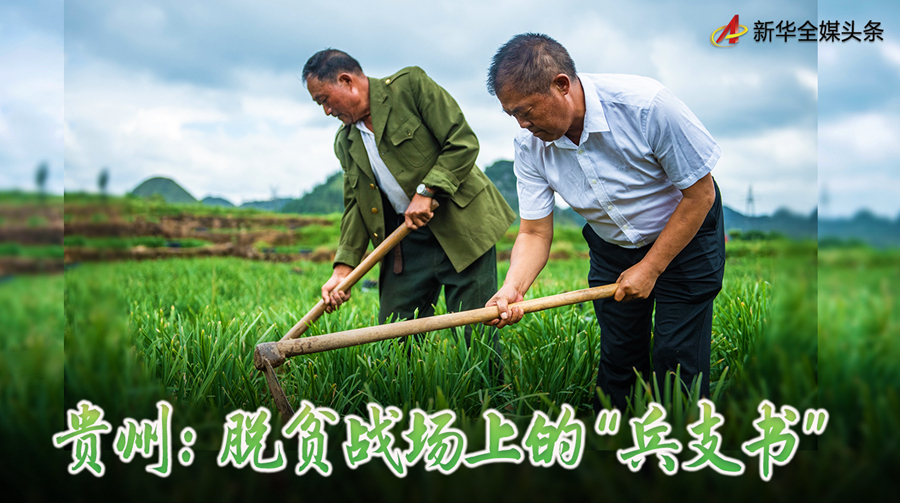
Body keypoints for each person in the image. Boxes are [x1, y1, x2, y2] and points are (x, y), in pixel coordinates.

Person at [484, 34, 725, 410]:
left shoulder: (647, 106)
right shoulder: (529, 146)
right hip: (613, 246)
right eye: (512, 114)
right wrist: (513, 288)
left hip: (685, 236)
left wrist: (650, 268)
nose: (522, 124)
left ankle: (678, 454)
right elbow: (534, 231)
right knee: (619, 358)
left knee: (676, 359)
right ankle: (611, 451)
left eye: (526, 111)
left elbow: (700, 195)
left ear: (561, 85)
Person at [302, 49, 515, 348]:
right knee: (394, 335)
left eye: (324, 100)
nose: (326, 111)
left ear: (346, 81)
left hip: (461, 228)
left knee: (474, 334)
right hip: (405, 242)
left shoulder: (409, 87)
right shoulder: (346, 141)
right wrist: (343, 269)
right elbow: (356, 206)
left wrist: (426, 191)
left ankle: (485, 395)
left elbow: (462, 142)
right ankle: (403, 395)